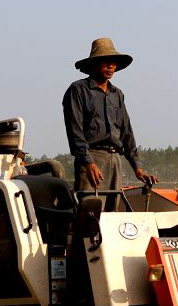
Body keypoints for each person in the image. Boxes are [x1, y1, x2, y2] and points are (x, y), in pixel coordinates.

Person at [63, 37, 158, 192]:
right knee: (91, 210)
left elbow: (126, 133)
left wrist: (137, 168)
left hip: (115, 160)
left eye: (113, 62)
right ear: (94, 63)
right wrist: (88, 163)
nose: (110, 66)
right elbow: (75, 131)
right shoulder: (78, 90)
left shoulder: (117, 94)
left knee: (112, 212)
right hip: (92, 159)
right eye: (105, 61)